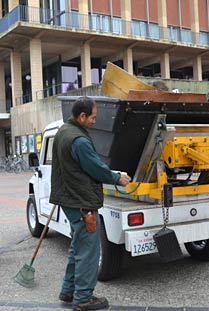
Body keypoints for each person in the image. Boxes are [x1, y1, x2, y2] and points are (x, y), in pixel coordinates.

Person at [49, 97, 130, 311]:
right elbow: (95, 168)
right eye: (92, 117)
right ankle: (83, 298)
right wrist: (117, 177)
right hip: (82, 202)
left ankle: (68, 291)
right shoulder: (79, 141)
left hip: (70, 198)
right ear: (81, 116)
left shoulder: (64, 131)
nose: (95, 121)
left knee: (77, 248)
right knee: (88, 251)